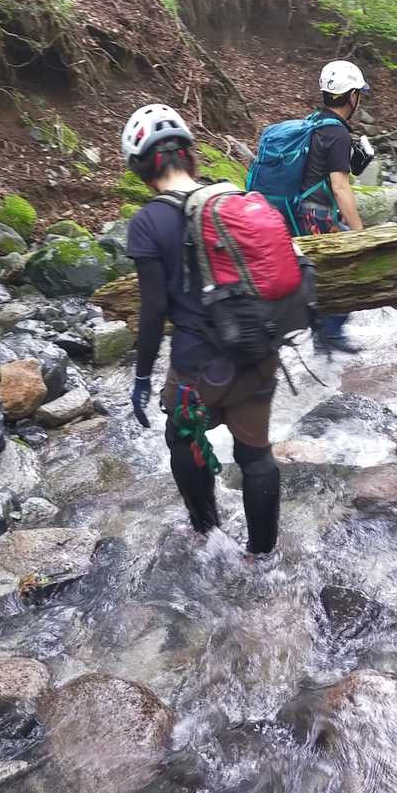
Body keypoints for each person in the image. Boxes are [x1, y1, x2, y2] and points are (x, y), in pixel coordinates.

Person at [121, 104, 281, 554]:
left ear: (141, 168)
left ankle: (206, 532)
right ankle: (262, 557)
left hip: (197, 368)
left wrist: (142, 377)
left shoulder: (147, 222)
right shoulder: (231, 201)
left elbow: (153, 311)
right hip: (256, 351)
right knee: (255, 455)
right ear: (190, 155)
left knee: (182, 436)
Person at [297, 60, 374, 354]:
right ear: (352, 96)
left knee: (325, 273)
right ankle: (329, 334)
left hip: (302, 212)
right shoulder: (337, 133)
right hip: (318, 215)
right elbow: (340, 188)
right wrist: (360, 235)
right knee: (352, 270)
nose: (359, 99)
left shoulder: (316, 122)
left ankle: (323, 336)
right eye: (359, 94)